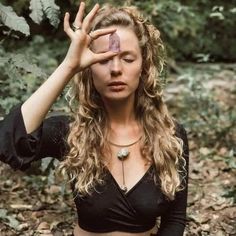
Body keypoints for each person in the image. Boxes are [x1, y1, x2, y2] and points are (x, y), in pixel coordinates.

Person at [0, 2, 189, 236]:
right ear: (88, 68)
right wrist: (69, 66)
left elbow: (175, 219)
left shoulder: (170, 135)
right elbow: (8, 142)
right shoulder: (70, 132)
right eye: (102, 59)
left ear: (144, 66)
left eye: (128, 59)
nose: (116, 68)